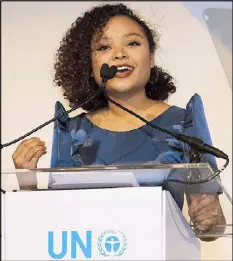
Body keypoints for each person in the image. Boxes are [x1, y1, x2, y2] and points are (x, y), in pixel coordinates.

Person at [12, 3, 226, 241]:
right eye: (104, 47)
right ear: (90, 65)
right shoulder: (72, 132)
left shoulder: (184, 123)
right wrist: (27, 180)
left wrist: (209, 219)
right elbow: (56, 220)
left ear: (152, 57)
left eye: (133, 43)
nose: (119, 53)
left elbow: (212, 225)